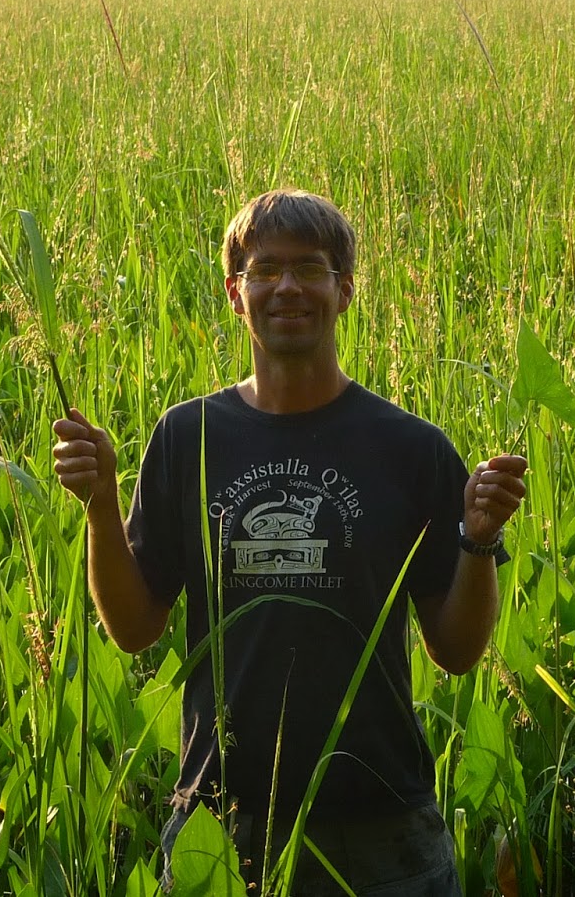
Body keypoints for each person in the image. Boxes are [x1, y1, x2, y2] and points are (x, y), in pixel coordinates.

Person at [52, 188, 527, 895]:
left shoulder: (410, 448)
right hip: (224, 817)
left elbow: (455, 653)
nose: (287, 287)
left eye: (310, 268)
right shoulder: (188, 437)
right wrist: (100, 508)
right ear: (235, 294)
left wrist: (478, 541)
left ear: (344, 291)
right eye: (265, 269)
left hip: (381, 824)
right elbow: (132, 628)